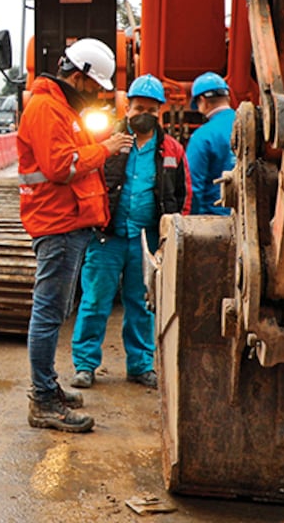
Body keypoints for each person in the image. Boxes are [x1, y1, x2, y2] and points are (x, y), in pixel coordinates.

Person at [18, 37, 129, 433]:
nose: (97, 93)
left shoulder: (61, 108)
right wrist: (107, 149)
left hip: (68, 221)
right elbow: (62, 166)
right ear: (79, 76)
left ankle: (47, 388)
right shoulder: (48, 108)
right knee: (48, 313)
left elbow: (72, 153)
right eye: (96, 86)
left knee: (54, 311)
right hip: (58, 223)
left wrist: (98, 145)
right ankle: (43, 399)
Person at [70, 74, 190, 391]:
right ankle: (85, 365)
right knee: (95, 301)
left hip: (147, 241)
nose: (144, 114)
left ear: (160, 111)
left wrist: (171, 237)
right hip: (106, 237)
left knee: (141, 304)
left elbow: (183, 195)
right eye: (139, 108)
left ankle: (140, 365)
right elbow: (84, 176)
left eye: (151, 109)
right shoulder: (108, 142)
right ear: (127, 109)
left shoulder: (171, 150)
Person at [185, 72, 237, 215]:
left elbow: (193, 187)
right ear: (227, 97)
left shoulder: (202, 136)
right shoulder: (251, 127)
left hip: (214, 220)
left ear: (202, 101)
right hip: (250, 219)